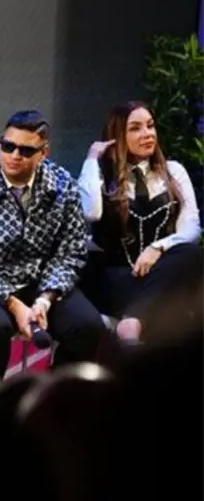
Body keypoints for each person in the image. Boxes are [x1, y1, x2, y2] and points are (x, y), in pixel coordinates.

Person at [0, 110, 105, 380]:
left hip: (39, 281)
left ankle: (54, 394)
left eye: (26, 151)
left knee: (87, 326)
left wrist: (45, 298)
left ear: (43, 153)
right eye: (8, 146)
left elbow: (71, 252)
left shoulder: (62, 185)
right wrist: (13, 303)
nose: (14, 155)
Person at [77, 101, 202, 342]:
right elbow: (89, 212)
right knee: (169, 301)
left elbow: (192, 227)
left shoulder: (173, 171)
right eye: (135, 128)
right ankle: (139, 321)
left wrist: (158, 247)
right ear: (117, 136)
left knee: (189, 253)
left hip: (160, 273)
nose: (147, 134)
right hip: (117, 277)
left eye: (150, 126)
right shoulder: (102, 176)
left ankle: (132, 322)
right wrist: (92, 159)